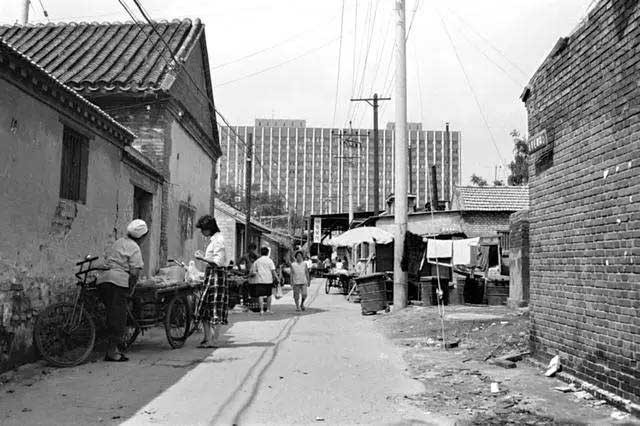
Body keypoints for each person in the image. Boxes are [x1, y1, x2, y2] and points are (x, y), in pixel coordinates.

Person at [97, 219, 148, 362]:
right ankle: (112, 352)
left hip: (103, 280)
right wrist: (131, 289)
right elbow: (134, 272)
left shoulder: (118, 242)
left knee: (110, 314)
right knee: (118, 317)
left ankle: (113, 346)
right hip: (117, 282)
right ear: (142, 237)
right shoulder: (135, 248)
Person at [194, 215, 227, 349]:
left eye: (203, 229)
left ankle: (213, 340)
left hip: (217, 275)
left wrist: (202, 258)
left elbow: (218, 262)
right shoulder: (214, 240)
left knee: (214, 308)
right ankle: (207, 338)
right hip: (211, 275)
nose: (202, 232)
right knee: (205, 308)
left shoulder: (219, 240)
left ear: (209, 228)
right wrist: (205, 257)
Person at [249, 247, 280, 315]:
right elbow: (273, 271)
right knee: (269, 295)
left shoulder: (257, 261)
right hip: (268, 280)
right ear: (267, 253)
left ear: (261, 252)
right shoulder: (270, 261)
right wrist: (277, 278)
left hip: (260, 280)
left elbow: (253, 271)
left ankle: (261, 310)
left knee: (260, 295)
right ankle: (268, 309)